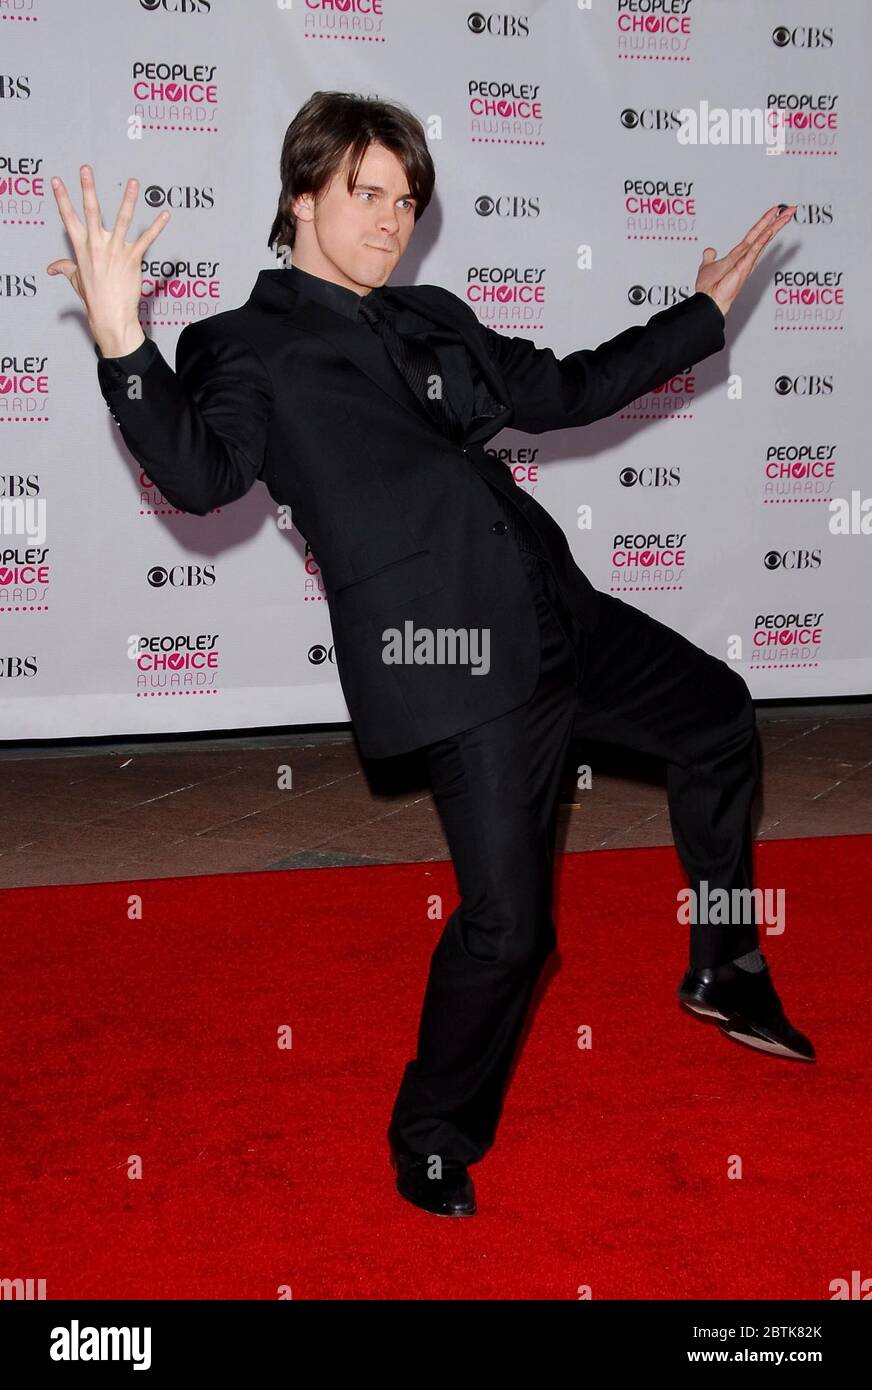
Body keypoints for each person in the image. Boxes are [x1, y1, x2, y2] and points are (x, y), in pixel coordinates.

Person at [47, 90, 813, 1221]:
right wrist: (123, 341)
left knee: (717, 717)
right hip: (453, 658)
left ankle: (724, 962)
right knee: (512, 930)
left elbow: (567, 390)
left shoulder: (434, 316)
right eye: (365, 192)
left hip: (558, 610)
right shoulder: (243, 344)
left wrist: (699, 312)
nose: (391, 219)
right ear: (300, 197)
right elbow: (204, 476)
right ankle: (433, 1135)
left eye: (406, 200)